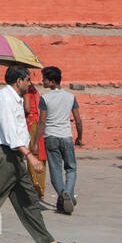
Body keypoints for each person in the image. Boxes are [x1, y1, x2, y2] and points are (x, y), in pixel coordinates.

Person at [0, 64, 75, 243]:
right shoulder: (5, 99)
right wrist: (30, 156)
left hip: (14, 157)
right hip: (7, 158)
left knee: (29, 201)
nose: (29, 83)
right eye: (27, 80)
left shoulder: (13, 99)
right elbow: (8, 133)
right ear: (19, 81)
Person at [39, 66, 83, 214]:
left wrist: (34, 142)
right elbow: (77, 120)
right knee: (71, 168)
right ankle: (68, 193)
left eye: (44, 78)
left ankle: (64, 195)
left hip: (50, 137)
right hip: (66, 137)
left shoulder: (45, 98)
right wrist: (80, 137)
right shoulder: (70, 97)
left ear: (51, 82)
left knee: (55, 171)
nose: (42, 81)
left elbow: (42, 122)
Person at [24, 73, 48, 203]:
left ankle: (35, 186)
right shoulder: (34, 89)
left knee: (32, 155)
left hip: (31, 123)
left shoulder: (27, 90)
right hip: (37, 122)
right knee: (40, 154)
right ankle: (40, 187)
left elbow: (27, 108)